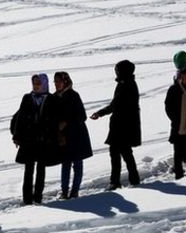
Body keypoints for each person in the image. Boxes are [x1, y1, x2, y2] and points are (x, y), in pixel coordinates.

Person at [10, 74, 60, 205]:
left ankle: (38, 197)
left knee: (41, 170)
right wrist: (16, 135)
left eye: (38, 83)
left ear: (44, 84)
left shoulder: (51, 99)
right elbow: (20, 118)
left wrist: (53, 136)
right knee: (28, 170)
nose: (36, 86)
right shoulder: (27, 97)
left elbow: (55, 120)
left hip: (44, 140)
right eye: (34, 83)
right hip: (28, 140)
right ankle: (27, 199)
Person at [90, 60, 141, 190]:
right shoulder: (125, 83)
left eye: (118, 70)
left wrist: (100, 113)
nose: (116, 72)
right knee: (119, 153)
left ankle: (125, 181)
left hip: (123, 126)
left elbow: (115, 105)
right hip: (120, 125)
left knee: (123, 154)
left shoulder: (127, 85)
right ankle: (122, 181)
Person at [54, 72, 93, 199]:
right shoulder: (54, 97)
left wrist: (66, 122)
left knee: (77, 163)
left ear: (65, 82)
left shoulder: (74, 96)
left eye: (58, 81)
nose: (56, 84)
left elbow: (82, 116)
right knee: (65, 164)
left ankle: (75, 191)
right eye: (55, 81)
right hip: (63, 138)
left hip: (77, 136)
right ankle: (64, 191)